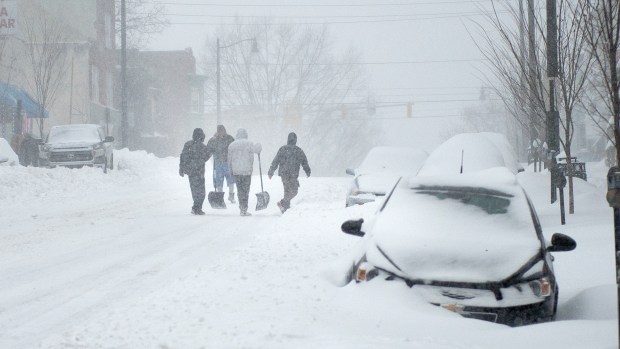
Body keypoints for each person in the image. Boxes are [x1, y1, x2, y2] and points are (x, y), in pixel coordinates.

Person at [268, 132, 311, 213]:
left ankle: (284, 205)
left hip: (285, 174)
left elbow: (275, 161)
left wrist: (271, 171)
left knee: (289, 191)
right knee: (293, 191)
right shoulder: (298, 150)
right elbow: (304, 162)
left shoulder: (283, 149)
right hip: (292, 174)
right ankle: (285, 207)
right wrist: (307, 171)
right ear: (295, 140)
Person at [227, 128, 262, 216]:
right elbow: (257, 150)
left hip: (236, 171)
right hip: (246, 171)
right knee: (245, 190)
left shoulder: (232, 145)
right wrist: (259, 145)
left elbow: (229, 160)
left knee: (240, 190)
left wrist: (230, 170)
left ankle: (242, 208)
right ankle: (244, 209)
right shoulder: (249, 143)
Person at [179, 128, 211, 215]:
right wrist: (200, 161)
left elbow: (183, 157)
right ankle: (197, 207)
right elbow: (207, 156)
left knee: (194, 190)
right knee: (201, 191)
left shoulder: (188, 145)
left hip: (191, 171)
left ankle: (196, 207)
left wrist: (182, 168)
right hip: (199, 171)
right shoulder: (203, 147)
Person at [206, 125, 236, 203]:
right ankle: (220, 197)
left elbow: (234, 148)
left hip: (227, 162)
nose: (221, 132)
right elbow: (208, 150)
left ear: (224, 130)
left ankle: (231, 195)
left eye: (222, 130)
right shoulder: (213, 140)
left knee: (231, 179)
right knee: (218, 180)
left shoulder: (229, 138)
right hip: (218, 163)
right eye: (219, 131)